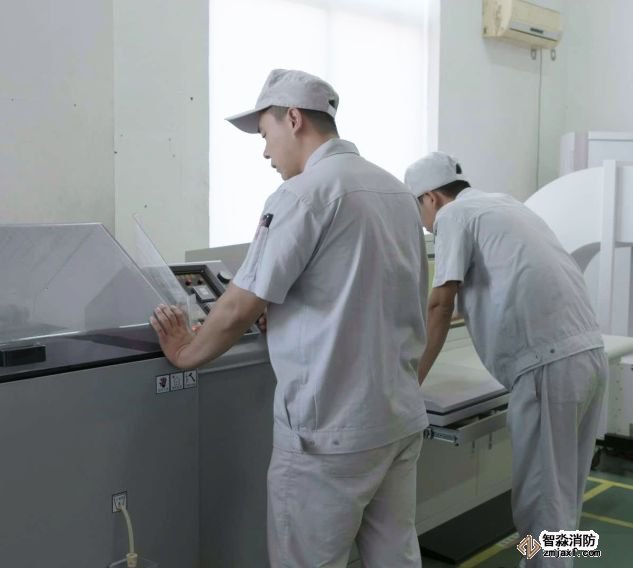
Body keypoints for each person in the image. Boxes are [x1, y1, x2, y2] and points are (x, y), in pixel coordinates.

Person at [151, 69, 429, 568]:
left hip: (329, 435)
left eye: (265, 134)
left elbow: (238, 305)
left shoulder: (302, 195)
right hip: (396, 419)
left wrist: (186, 351)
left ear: (294, 119)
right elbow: (364, 291)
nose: (265, 153)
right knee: (394, 559)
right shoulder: (396, 193)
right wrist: (286, 315)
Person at [405, 152, 607, 567]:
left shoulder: (452, 216)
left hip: (549, 368)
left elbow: (441, 304)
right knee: (564, 501)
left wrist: (410, 383)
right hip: (587, 355)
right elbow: (491, 290)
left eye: (419, 212)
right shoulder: (504, 206)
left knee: (541, 506)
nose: (424, 225)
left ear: (431, 198)